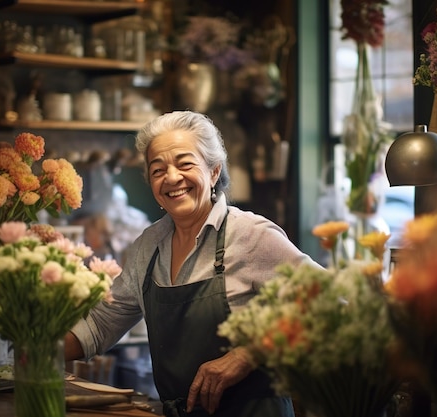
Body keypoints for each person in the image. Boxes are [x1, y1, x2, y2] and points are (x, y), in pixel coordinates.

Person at [65, 110, 321, 417]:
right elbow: (100, 323)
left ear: (213, 171)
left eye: (185, 164)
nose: (172, 178)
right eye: (158, 170)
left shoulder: (250, 236)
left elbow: (332, 302)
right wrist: (31, 350)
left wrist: (250, 353)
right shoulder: (148, 247)